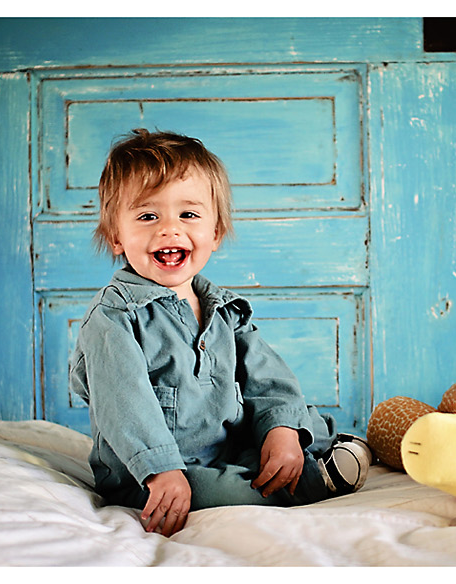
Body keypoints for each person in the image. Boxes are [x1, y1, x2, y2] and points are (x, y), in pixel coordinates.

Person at [69, 129, 371, 536]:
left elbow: (268, 376)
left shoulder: (226, 311)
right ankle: (315, 481)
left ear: (215, 232)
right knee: (211, 491)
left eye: (188, 215)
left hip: (229, 444)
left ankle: (309, 445)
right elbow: (123, 404)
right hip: (155, 473)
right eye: (147, 216)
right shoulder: (113, 316)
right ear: (116, 236)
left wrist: (281, 431)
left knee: (291, 425)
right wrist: (161, 469)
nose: (169, 230)